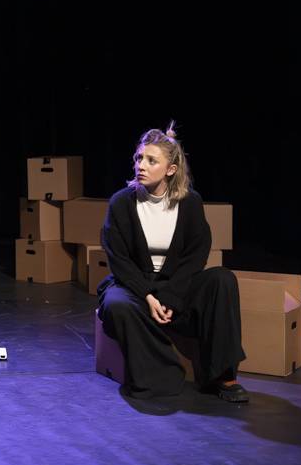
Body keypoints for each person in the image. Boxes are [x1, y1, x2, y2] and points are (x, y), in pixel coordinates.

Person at [97, 123, 247, 402]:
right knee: (116, 303)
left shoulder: (190, 203)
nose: (141, 165)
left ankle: (224, 377)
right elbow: (118, 259)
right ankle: (160, 377)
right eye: (139, 158)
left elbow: (196, 255)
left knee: (222, 279)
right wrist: (148, 295)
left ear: (171, 169)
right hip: (134, 286)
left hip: (176, 284)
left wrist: (170, 297)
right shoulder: (121, 203)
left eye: (151, 160)